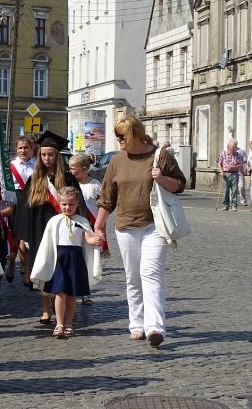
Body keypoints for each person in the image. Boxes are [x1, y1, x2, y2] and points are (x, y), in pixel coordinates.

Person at [94, 115, 185, 348]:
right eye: (117, 137)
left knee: (150, 273)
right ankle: (137, 324)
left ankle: (155, 327)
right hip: (125, 227)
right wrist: (99, 224)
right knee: (133, 277)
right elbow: (107, 197)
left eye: (122, 136)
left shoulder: (159, 156)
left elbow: (180, 184)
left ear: (135, 134)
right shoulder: (117, 161)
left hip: (155, 226)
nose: (119, 140)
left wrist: (161, 177)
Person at [20, 130, 81, 326]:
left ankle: (60, 308)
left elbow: (78, 205)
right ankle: (45, 310)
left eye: (51, 154)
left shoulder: (69, 179)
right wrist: (25, 236)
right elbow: (26, 210)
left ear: (57, 156)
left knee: (61, 269)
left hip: (63, 230)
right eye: (44, 154)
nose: (47, 158)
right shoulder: (35, 179)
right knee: (44, 267)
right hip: (40, 229)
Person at [30, 186, 102, 337]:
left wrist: (94, 239)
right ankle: (59, 323)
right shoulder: (54, 221)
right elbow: (48, 243)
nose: (67, 207)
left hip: (75, 259)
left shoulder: (82, 221)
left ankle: (69, 323)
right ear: (59, 203)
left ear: (77, 205)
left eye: (71, 204)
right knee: (60, 292)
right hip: (59, 259)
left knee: (72, 294)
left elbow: (87, 238)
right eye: (64, 204)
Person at [68, 152, 102, 305]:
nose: (70, 171)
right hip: (73, 226)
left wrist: (101, 227)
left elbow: (102, 207)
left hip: (89, 226)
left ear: (84, 169)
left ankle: (85, 291)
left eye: (73, 168)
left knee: (87, 258)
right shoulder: (70, 183)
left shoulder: (94, 185)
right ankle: (72, 289)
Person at [4, 135, 36, 283]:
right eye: (20, 148)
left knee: (27, 234)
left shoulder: (37, 165)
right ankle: (12, 263)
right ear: (16, 149)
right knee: (15, 234)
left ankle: (26, 267)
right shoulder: (11, 165)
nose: (23, 150)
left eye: (26, 148)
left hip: (31, 199)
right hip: (15, 199)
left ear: (32, 148)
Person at [217, 140, 245, 212]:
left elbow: (241, 164)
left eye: (235, 147)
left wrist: (234, 167)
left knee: (234, 190)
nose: (234, 149)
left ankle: (233, 205)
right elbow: (219, 163)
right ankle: (226, 205)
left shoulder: (238, 154)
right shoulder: (223, 154)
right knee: (226, 190)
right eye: (233, 147)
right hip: (226, 174)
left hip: (235, 173)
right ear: (228, 147)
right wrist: (221, 171)